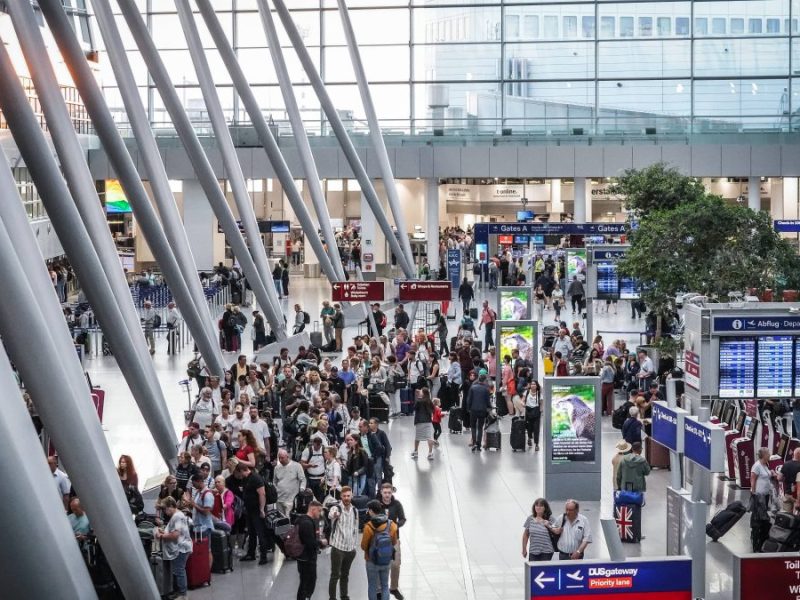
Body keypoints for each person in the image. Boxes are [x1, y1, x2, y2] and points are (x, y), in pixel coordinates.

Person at [155, 496, 193, 600]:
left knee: (179, 571)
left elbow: (176, 535)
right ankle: (178, 593)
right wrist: (165, 532)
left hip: (181, 548)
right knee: (177, 570)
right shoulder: (177, 515)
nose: (165, 512)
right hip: (180, 547)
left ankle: (183, 594)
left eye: (165, 509)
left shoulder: (177, 516)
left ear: (171, 506)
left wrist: (162, 536)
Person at [361, 499, 399, 600]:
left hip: (371, 561)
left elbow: (364, 546)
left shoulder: (368, 526)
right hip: (386, 560)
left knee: (372, 586)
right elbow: (394, 542)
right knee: (385, 586)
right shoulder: (391, 525)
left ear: (371, 511)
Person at [328, 486, 360, 600]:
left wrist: (354, 546)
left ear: (351, 496)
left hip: (350, 549)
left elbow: (355, 529)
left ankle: (344, 596)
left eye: (348, 496)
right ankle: (332, 598)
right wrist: (335, 514)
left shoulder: (355, 511)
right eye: (344, 496)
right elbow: (331, 514)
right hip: (338, 548)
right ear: (341, 496)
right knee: (335, 575)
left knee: (345, 575)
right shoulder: (336, 508)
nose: (346, 498)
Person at [235, 464, 270, 565]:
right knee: (251, 532)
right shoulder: (246, 479)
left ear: (242, 470)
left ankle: (264, 556)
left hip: (257, 510)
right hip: (249, 510)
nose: (239, 475)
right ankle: (251, 553)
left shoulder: (255, 478)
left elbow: (262, 494)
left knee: (260, 532)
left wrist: (262, 509)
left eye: (239, 473)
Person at [379, 482, 406, 600]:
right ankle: (379, 589)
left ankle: (394, 588)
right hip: (380, 540)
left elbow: (403, 519)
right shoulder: (377, 505)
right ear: (381, 492)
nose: (387, 495)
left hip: (394, 539)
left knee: (395, 564)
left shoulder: (397, 504)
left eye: (389, 493)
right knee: (380, 564)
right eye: (385, 493)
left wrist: (395, 525)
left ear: (392, 493)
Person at [296, 500, 324, 600]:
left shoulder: (301, 519)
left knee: (305, 581)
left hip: (304, 557)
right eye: (319, 511)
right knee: (307, 582)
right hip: (307, 558)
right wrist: (321, 543)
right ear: (313, 509)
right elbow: (310, 542)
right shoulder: (307, 523)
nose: (320, 513)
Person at [750, 447, 776, 552]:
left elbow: (767, 476)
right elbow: (753, 480)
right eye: (768, 453)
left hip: (765, 496)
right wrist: (754, 493)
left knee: (763, 518)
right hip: (758, 496)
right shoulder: (757, 466)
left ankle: (760, 541)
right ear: (764, 455)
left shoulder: (766, 465)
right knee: (759, 519)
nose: (770, 454)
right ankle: (756, 544)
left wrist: (772, 473)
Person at [274, 449, 306, 517]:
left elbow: (303, 479)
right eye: (279, 458)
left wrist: (302, 489)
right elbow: (275, 481)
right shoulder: (277, 468)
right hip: (279, 498)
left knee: (289, 518)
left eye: (282, 458)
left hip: (291, 499)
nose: (280, 460)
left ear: (287, 457)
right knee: (281, 519)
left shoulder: (297, 466)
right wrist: (275, 490)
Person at [466, 372, 492, 452]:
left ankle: (473, 443)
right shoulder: (486, 389)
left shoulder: (473, 388)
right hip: (482, 410)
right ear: (484, 381)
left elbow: (469, 399)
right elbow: (488, 401)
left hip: (473, 410)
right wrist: (489, 408)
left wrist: (468, 408)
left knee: (473, 427)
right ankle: (478, 445)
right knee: (480, 428)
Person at [185, 473, 216, 538]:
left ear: (199, 481)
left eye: (194, 484)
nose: (193, 486)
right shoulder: (198, 492)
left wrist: (194, 504)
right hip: (197, 528)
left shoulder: (207, 494)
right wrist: (190, 505)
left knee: (205, 547)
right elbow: (195, 507)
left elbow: (206, 512)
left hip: (205, 528)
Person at [412, 387, 435, 461]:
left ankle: (415, 451)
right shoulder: (429, 401)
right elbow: (433, 409)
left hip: (419, 422)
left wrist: (417, 397)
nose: (420, 392)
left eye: (421, 391)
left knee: (417, 438)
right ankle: (430, 453)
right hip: (428, 421)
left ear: (424, 393)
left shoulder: (419, 401)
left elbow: (414, 408)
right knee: (429, 437)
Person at [778, 447, 800, 512]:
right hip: (797, 496)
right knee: (796, 517)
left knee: (786, 516)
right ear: (799, 454)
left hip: (787, 494)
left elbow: (779, 478)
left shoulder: (786, 464)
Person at [524, 380, 542, 450]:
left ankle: (536, 444)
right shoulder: (527, 392)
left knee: (536, 429)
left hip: (536, 412)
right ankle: (529, 438)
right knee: (529, 427)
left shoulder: (539, 394)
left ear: (537, 386)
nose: (533, 385)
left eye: (534, 384)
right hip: (528, 411)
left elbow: (541, 403)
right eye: (532, 384)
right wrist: (523, 404)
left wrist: (540, 410)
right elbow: (522, 400)